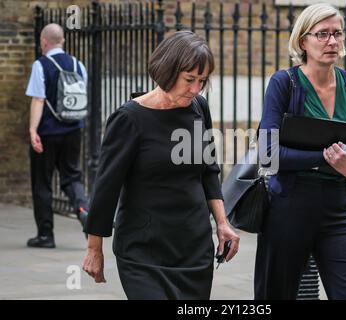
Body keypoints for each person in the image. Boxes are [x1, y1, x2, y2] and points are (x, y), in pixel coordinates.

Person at [82, 31, 240, 300]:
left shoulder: (198, 108)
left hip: (193, 248)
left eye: (201, 81)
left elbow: (209, 170)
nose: (195, 89)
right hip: (143, 250)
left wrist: (222, 223)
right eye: (189, 79)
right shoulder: (129, 119)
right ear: (167, 71)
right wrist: (94, 248)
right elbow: (106, 187)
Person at [254, 3, 346, 300]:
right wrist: (327, 158)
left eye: (337, 33)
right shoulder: (285, 83)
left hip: (338, 209)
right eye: (322, 34)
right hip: (289, 207)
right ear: (303, 41)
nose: (332, 42)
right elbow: (268, 152)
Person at [25, 23, 89, 248]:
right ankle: (84, 211)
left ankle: (45, 236)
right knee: (72, 177)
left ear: (44, 42)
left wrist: (33, 130)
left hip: (47, 133)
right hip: (73, 130)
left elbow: (38, 99)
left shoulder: (41, 65)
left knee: (42, 183)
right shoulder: (78, 65)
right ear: (62, 41)